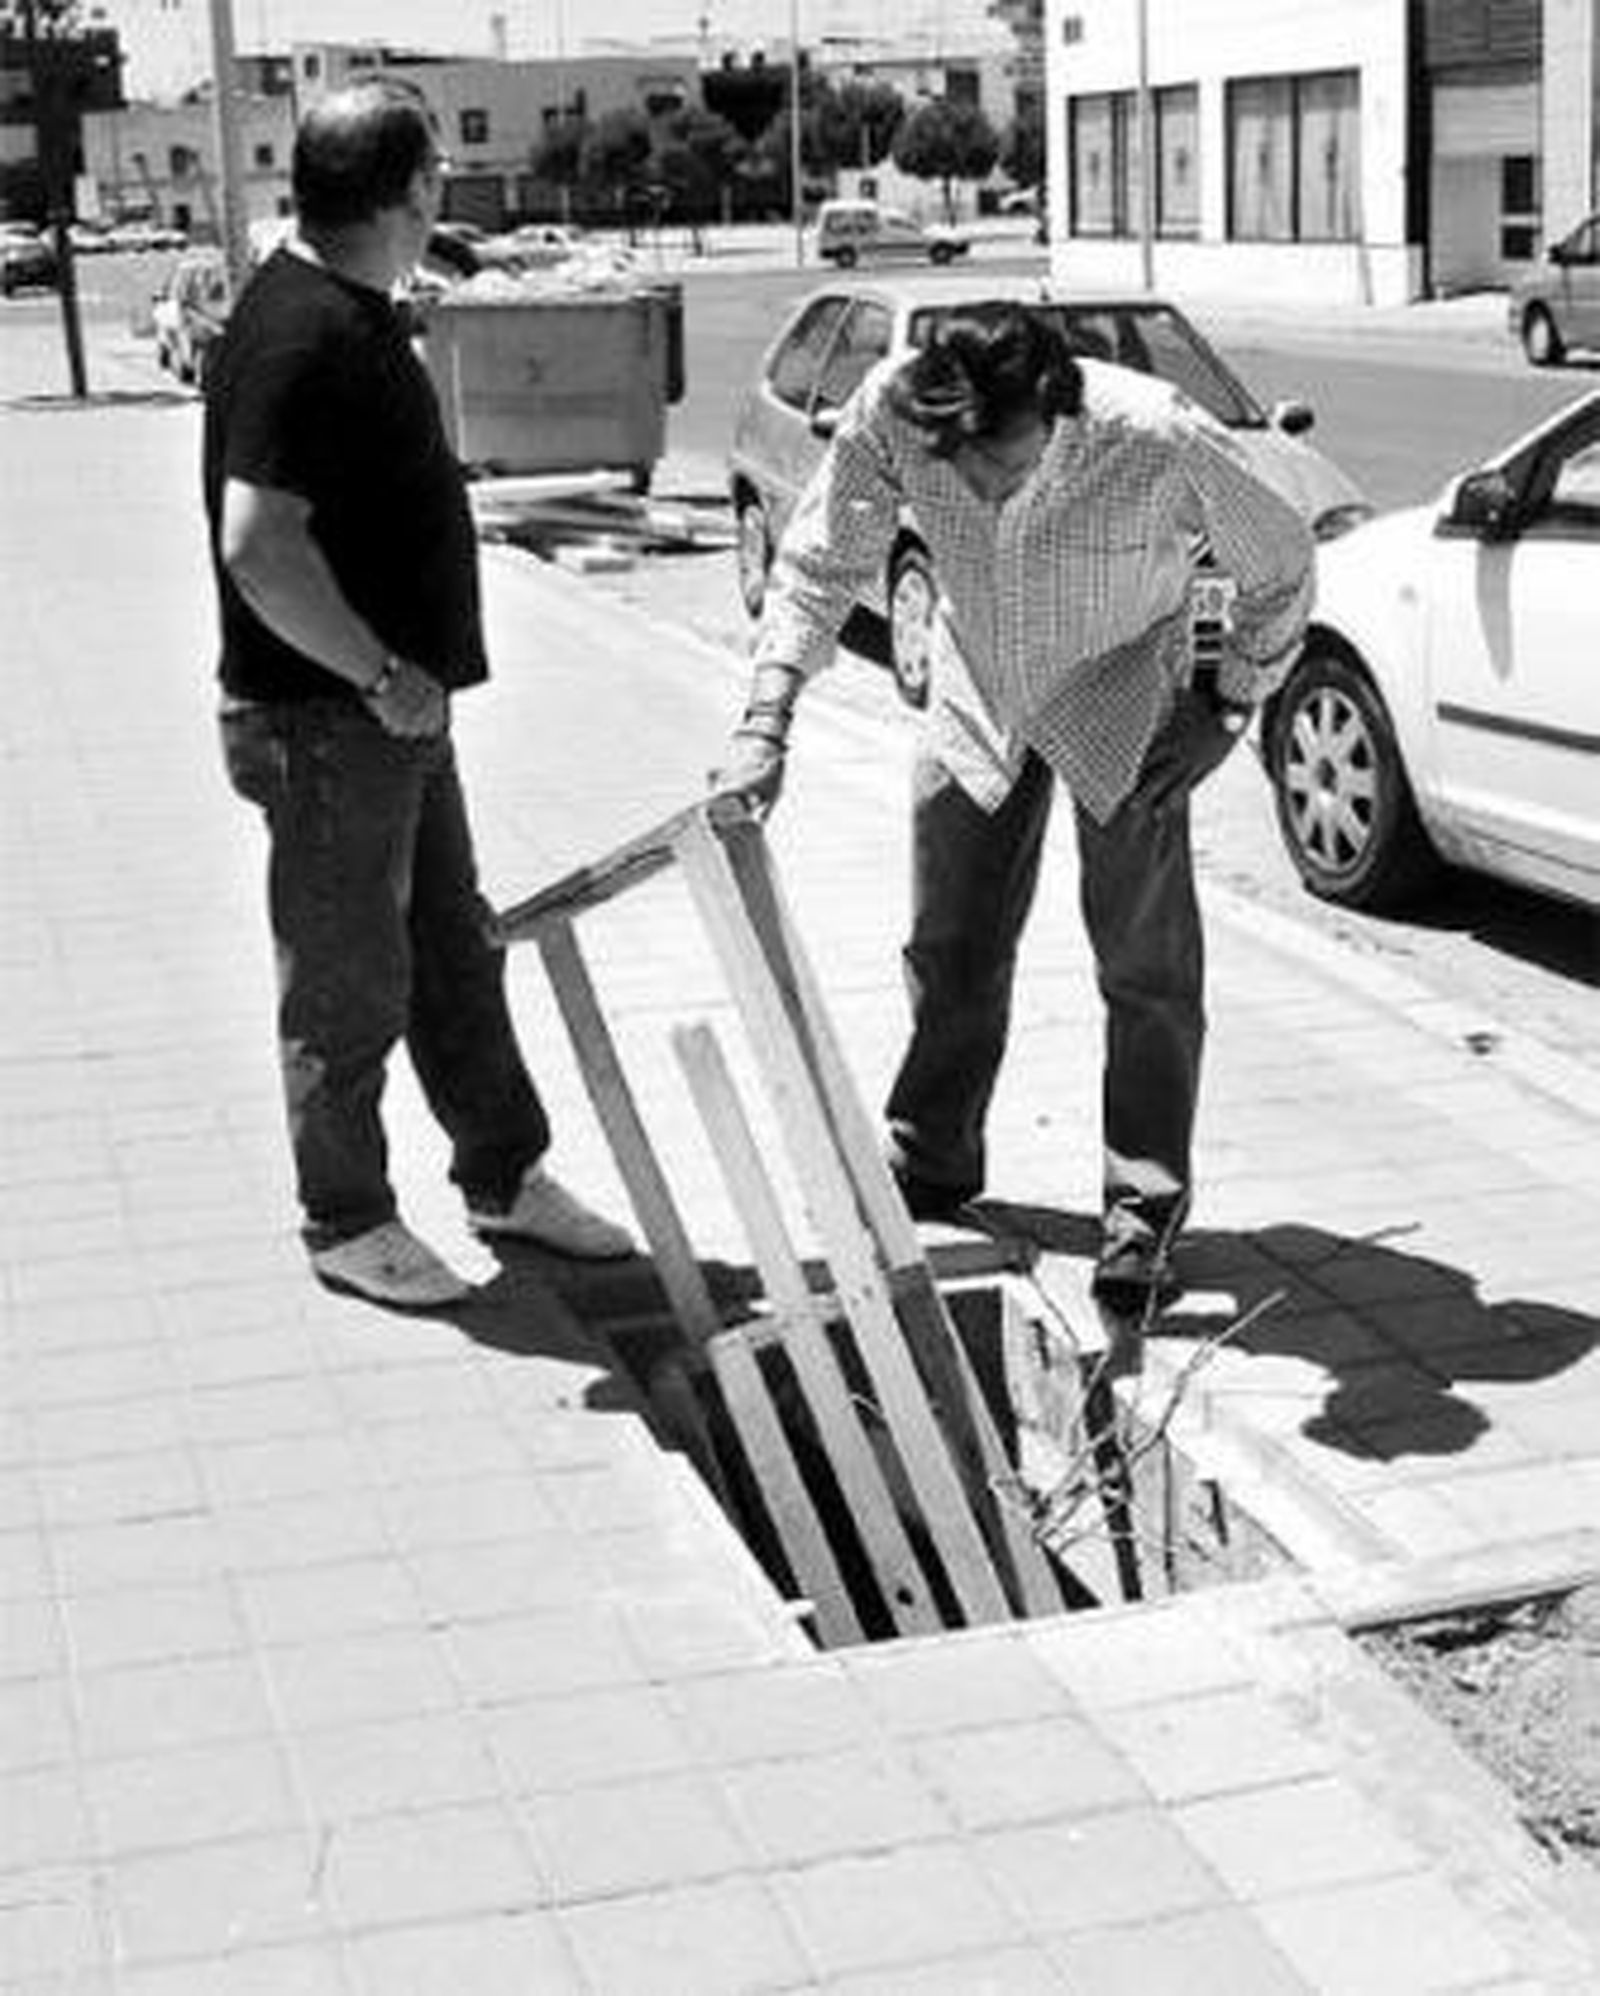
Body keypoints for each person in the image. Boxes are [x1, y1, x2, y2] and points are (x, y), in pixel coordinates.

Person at [715, 303, 1314, 1318]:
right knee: (948, 943)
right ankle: (932, 1156)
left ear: (1054, 410)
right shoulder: (899, 411)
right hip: (977, 692)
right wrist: (765, 716)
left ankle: (1142, 1204)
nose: (984, 491)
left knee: (1145, 969)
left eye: (1003, 464)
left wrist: (1225, 707)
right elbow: (821, 561)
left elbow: (1280, 565)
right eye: (965, 473)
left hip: (1125, 698)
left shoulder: (1156, 434)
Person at [203, 78, 634, 1308]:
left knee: (454, 949)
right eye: (436, 171)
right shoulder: (304, 333)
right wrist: (383, 674)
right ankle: (345, 1217)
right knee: (348, 982)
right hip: (334, 720)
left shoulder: (340, 305)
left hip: (386, 720)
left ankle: (505, 1174)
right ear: (410, 193)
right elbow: (258, 545)